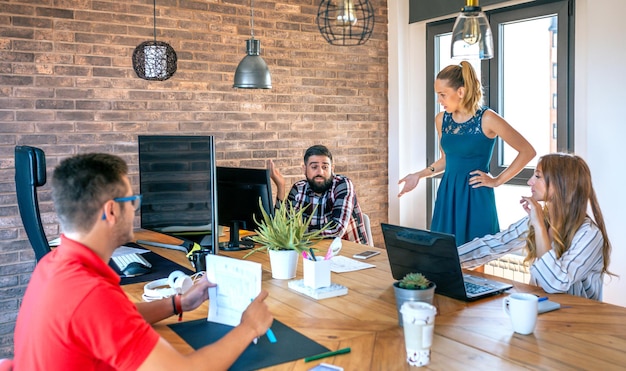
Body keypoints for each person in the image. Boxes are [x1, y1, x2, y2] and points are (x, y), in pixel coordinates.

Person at [14, 153, 273, 370]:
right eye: (132, 201)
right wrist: (249, 327)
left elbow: (116, 319)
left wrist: (178, 303)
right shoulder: (91, 295)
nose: (135, 209)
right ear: (112, 211)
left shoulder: (53, 265)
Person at [398, 61, 536, 247]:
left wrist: (497, 180)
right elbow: (448, 160)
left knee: (476, 261)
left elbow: (527, 151)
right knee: (445, 258)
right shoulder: (442, 120)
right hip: (448, 195)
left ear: (460, 92)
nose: (439, 100)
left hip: (475, 196)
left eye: (443, 95)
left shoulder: (488, 118)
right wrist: (418, 175)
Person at [458, 153, 614, 301]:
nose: (530, 182)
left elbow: (555, 283)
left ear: (561, 184)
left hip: (578, 319)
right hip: (543, 311)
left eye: (538, 176)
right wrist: (446, 259)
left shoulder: (589, 234)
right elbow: (495, 244)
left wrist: (539, 226)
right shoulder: (542, 218)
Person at [268, 144, 370, 245]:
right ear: (304, 169)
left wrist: (299, 233)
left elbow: (337, 229)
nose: (320, 172)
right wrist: (280, 186)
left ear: (332, 169)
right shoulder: (299, 188)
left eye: (325, 167)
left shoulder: (342, 185)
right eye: (314, 167)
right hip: (315, 251)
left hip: (350, 253)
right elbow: (280, 227)